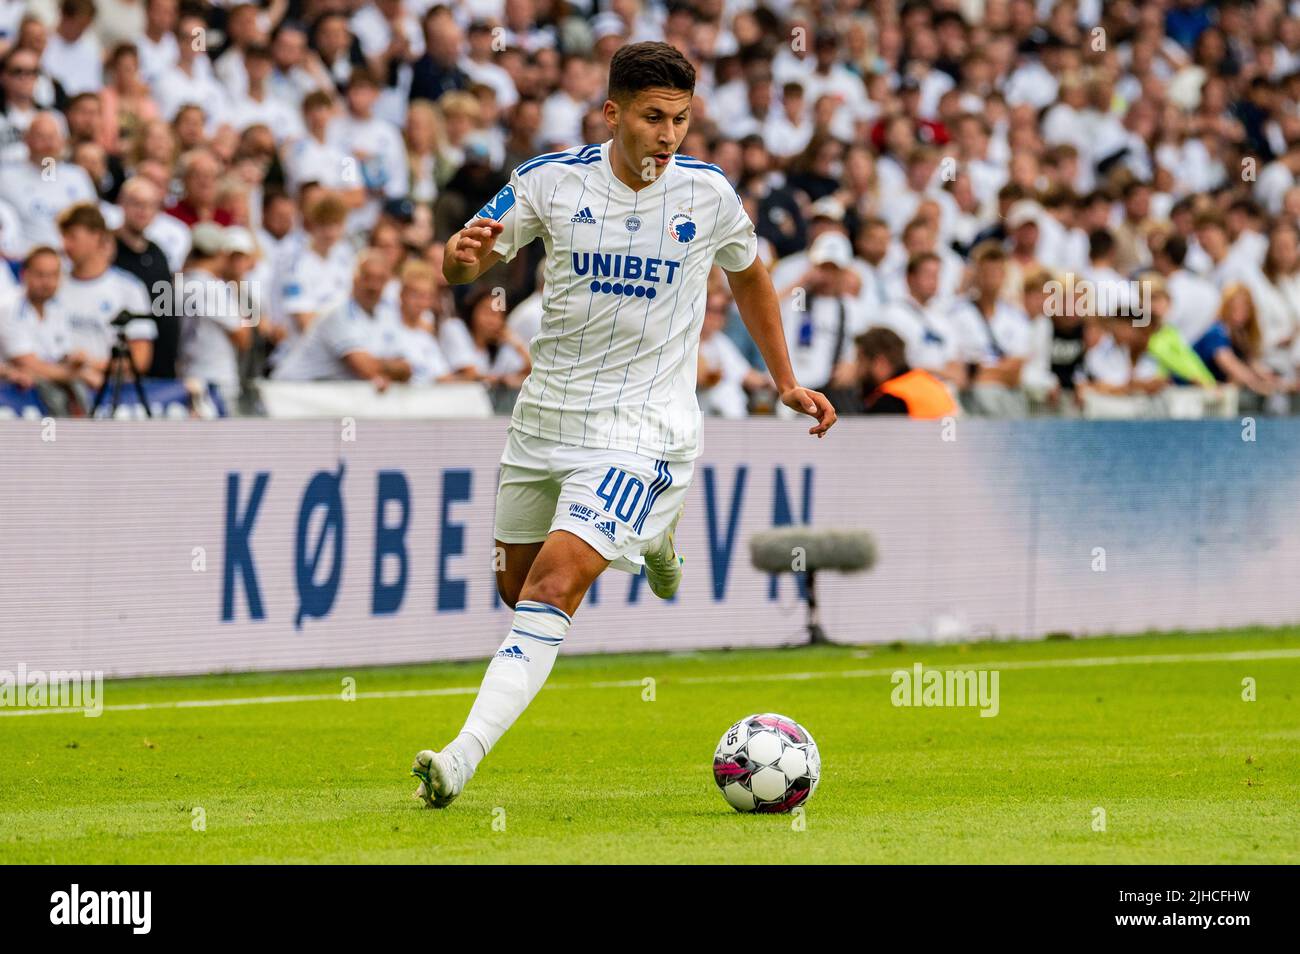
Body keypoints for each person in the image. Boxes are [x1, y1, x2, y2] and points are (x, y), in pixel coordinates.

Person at [411, 41, 836, 809]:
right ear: (613, 113)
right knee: (517, 588)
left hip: (643, 430)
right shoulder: (548, 181)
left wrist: (785, 381)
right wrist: (457, 259)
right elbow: (468, 263)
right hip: (543, 422)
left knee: (556, 580)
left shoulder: (708, 196)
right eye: (653, 117)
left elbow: (749, 274)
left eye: (680, 119)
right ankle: (658, 535)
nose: (669, 134)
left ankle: (460, 757)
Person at [270, 249, 410, 386]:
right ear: (355, 279)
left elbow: (407, 369)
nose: (373, 286)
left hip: (322, 395)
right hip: (289, 393)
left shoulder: (387, 315)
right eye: (368, 277)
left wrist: (381, 367)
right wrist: (389, 367)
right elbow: (365, 368)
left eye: (380, 279)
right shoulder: (339, 312)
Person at [855, 326, 957, 417]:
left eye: (860, 360)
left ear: (881, 362)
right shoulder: (929, 382)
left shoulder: (891, 400)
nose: (857, 368)